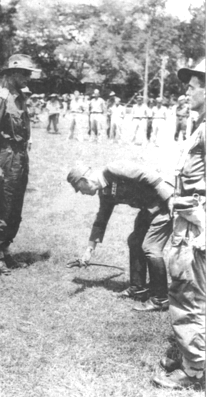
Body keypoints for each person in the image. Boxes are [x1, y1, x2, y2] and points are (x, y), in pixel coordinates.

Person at [152, 59, 205, 390]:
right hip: (190, 218)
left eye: (192, 85)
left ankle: (194, 369)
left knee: (188, 295)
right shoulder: (201, 124)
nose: (187, 91)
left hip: (196, 224)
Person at [67, 162, 173, 311]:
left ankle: (160, 299)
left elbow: (147, 174)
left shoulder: (112, 171)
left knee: (151, 247)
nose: (81, 192)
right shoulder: (105, 193)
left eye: (79, 188)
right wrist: (88, 251)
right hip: (148, 208)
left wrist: (170, 199)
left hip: (164, 203)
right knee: (135, 241)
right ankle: (138, 288)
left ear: (85, 180)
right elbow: (101, 221)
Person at [0, 54, 40, 275]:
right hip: (6, 155)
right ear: (12, 74)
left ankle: (5, 249)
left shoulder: (21, 99)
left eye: (28, 73)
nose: (27, 77)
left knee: (15, 206)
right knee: (2, 205)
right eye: (24, 73)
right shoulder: (1, 99)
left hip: (21, 156)